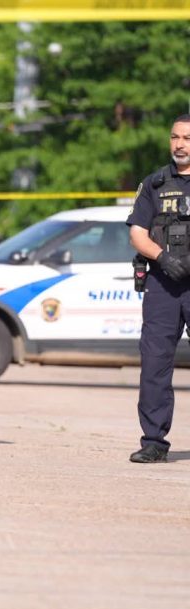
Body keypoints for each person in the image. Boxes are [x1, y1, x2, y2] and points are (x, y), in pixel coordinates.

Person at [127, 114, 190, 463]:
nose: (179, 144)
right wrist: (163, 257)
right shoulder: (154, 183)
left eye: (187, 138)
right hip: (162, 284)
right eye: (175, 137)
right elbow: (137, 232)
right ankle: (153, 441)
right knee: (154, 363)